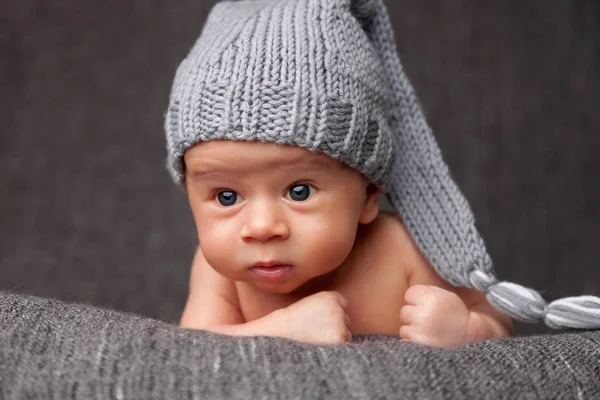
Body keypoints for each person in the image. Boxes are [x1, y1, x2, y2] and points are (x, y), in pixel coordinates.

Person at [165, 0, 600, 346]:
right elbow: (194, 349)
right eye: (226, 197)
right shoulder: (217, 271)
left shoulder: (404, 252)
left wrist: (469, 330)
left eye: (299, 191)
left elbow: (499, 324)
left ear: (370, 194)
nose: (261, 227)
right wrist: (281, 330)